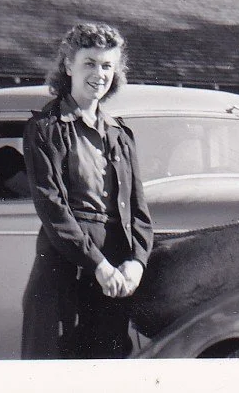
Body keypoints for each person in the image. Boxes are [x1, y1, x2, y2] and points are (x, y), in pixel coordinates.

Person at [20, 22, 153, 359]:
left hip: (113, 281)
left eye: (107, 65)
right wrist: (98, 265)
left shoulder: (121, 135)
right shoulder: (43, 130)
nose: (99, 74)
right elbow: (53, 209)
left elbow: (139, 211)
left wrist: (136, 261)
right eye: (89, 63)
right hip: (62, 278)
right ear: (69, 66)